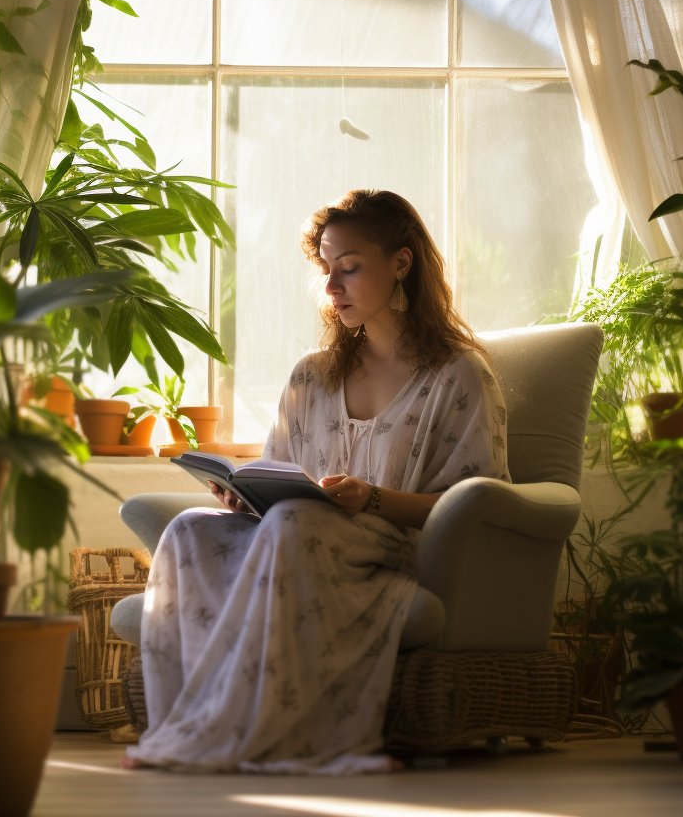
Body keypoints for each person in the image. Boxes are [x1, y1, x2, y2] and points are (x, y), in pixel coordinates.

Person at [124, 189, 510, 774]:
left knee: (295, 521)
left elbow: (477, 502)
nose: (331, 287)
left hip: (381, 553)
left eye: (349, 269)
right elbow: (277, 472)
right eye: (326, 270)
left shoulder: (457, 376)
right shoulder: (312, 374)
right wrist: (241, 496)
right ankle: (187, 729)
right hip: (295, 535)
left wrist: (370, 497)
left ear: (401, 264)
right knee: (189, 531)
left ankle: (278, 738)